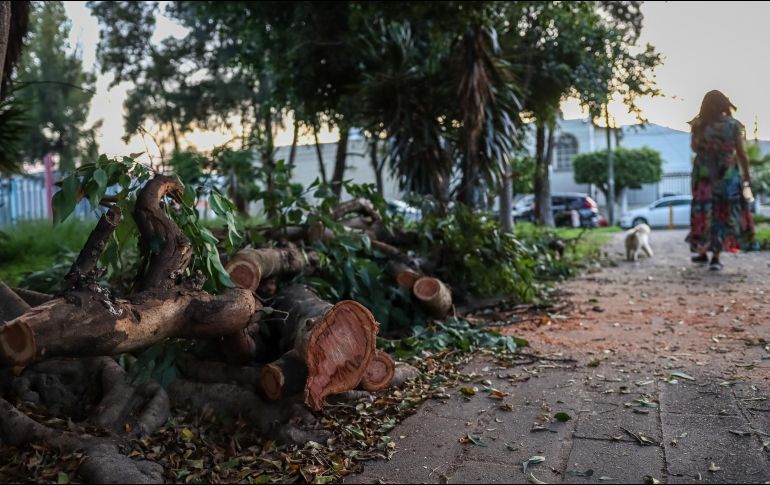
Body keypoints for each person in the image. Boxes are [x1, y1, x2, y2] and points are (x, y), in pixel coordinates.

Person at [687, 90, 755, 271]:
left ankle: (702, 251)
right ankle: (715, 257)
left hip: (703, 176)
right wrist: (747, 175)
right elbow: (742, 153)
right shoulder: (733, 126)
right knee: (721, 214)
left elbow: (694, 147)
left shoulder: (699, 124)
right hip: (727, 177)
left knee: (704, 213)